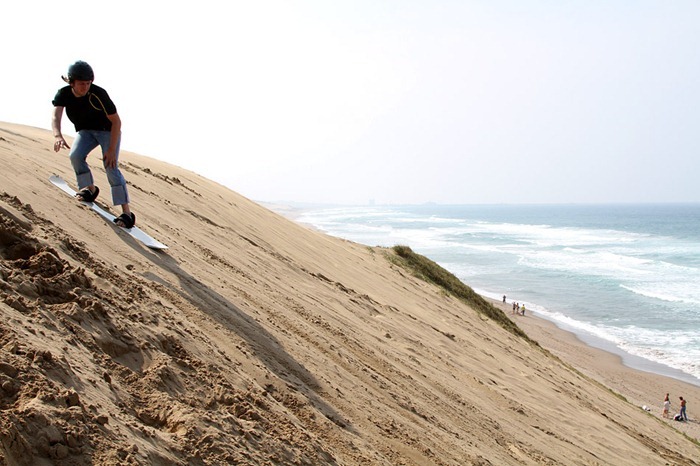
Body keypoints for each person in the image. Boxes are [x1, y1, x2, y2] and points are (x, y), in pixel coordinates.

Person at [51, 60, 136, 228]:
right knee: (75, 156)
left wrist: (111, 149)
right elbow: (56, 116)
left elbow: (116, 122)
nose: (85, 87)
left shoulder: (98, 94)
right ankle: (90, 189)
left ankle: (127, 214)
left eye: (88, 83)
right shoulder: (64, 93)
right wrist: (57, 136)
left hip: (107, 131)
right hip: (86, 131)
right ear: (72, 82)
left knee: (110, 167)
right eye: (81, 84)